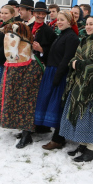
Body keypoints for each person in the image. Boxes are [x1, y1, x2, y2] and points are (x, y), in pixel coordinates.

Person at [60, 16, 93, 162]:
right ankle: (83, 145)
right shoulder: (85, 40)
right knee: (82, 116)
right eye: (87, 24)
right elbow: (74, 58)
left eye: (91, 24)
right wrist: (75, 63)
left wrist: (78, 64)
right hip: (81, 84)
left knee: (92, 116)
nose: (88, 26)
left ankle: (91, 150)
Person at [0, 22, 44, 148]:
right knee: (16, 98)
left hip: (27, 69)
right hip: (15, 67)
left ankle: (27, 132)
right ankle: (22, 128)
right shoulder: (12, 33)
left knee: (27, 100)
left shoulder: (32, 66)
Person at [34, 10, 80, 150]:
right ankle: (54, 135)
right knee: (51, 104)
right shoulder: (61, 35)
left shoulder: (72, 37)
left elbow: (66, 59)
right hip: (52, 72)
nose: (59, 22)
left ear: (70, 22)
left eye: (62, 20)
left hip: (60, 75)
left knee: (58, 106)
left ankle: (58, 139)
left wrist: (57, 77)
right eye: (58, 19)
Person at [29, 2, 57, 66]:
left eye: (43, 14)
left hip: (40, 64)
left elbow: (53, 50)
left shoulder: (49, 31)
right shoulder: (28, 28)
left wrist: (41, 49)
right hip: (26, 62)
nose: (41, 16)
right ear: (34, 13)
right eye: (38, 13)